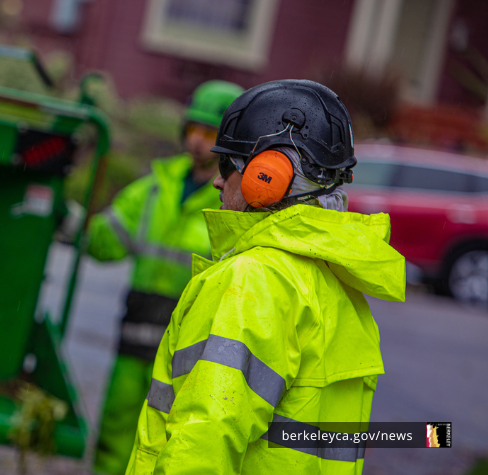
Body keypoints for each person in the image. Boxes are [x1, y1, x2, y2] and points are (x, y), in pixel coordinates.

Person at [124, 79, 406, 474]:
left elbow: (206, 436)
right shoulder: (336, 283)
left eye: (228, 165)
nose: (217, 181)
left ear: (267, 178)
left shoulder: (254, 280)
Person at [87, 80, 244, 475]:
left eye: (209, 133)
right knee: (116, 431)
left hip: (189, 354)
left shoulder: (234, 202)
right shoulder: (157, 188)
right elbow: (105, 240)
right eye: (193, 129)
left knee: (174, 442)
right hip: (134, 340)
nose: (196, 141)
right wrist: (71, 223)